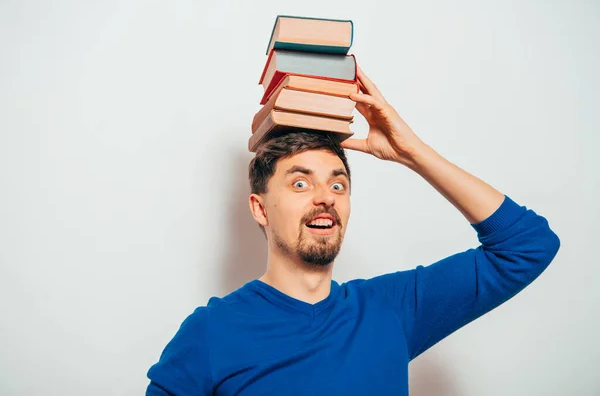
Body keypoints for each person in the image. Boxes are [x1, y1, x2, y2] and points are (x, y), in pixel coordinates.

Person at [145, 67, 560, 395]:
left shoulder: (392, 310)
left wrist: (412, 153)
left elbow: (527, 246)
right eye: (300, 182)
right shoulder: (210, 334)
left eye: (338, 183)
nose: (325, 196)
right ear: (260, 209)